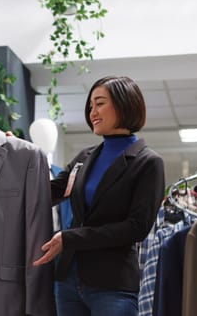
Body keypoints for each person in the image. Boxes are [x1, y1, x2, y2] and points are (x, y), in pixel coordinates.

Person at [33, 76, 165, 316]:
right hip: (67, 281)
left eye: (100, 103)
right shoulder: (85, 157)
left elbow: (136, 228)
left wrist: (71, 238)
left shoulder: (148, 163)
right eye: (91, 106)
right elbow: (49, 192)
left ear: (124, 104)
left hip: (112, 285)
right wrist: (13, 157)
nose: (93, 111)